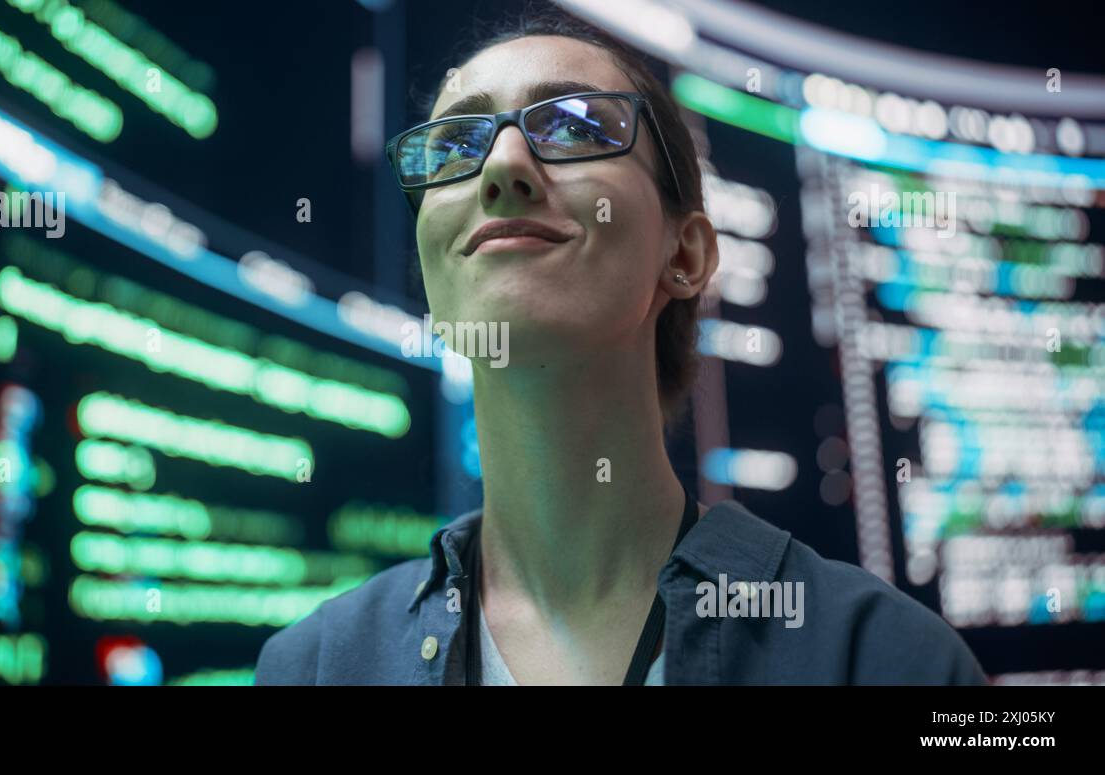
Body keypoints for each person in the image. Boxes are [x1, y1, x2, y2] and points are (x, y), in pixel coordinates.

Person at [255, 9, 987, 686]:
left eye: (575, 127)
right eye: (454, 144)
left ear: (688, 254)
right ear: (436, 270)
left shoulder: (890, 661)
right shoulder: (312, 666)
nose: (502, 167)